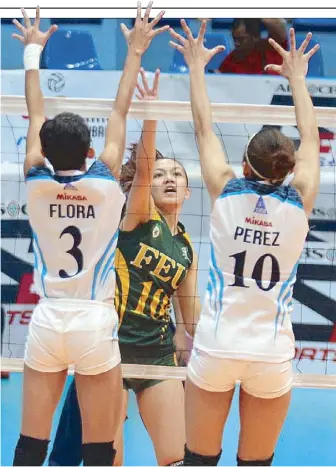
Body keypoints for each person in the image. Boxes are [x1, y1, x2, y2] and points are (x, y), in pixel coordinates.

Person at [11, 3, 169, 465]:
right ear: (91, 151)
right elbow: (120, 109)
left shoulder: (36, 183)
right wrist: (135, 51)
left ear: (41, 148)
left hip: (48, 319)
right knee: (99, 448)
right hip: (94, 321)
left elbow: (34, 110)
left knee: (30, 446)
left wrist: (31, 53)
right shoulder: (105, 185)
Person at [170, 21, 320, 466]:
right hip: (270, 352)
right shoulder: (301, 199)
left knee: (198, 459)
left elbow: (203, 128)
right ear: (288, 170)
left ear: (244, 164)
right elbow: (311, 138)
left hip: (217, 345)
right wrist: (297, 79)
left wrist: (196, 66)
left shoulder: (226, 190)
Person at [48, 68, 200, 467]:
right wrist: (150, 113)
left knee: (178, 458)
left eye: (177, 175)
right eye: (161, 175)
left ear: (187, 190)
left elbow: (189, 319)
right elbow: (145, 169)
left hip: (156, 354)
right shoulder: (135, 219)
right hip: (110, 350)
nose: (168, 179)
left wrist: (193, 347)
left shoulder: (186, 248)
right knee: (108, 459)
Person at [218, 18, 288, 75]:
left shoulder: (271, 48)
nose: (236, 43)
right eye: (234, 39)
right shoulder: (231, 59)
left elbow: (280, 32)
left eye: (241, 39)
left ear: (256, 37)